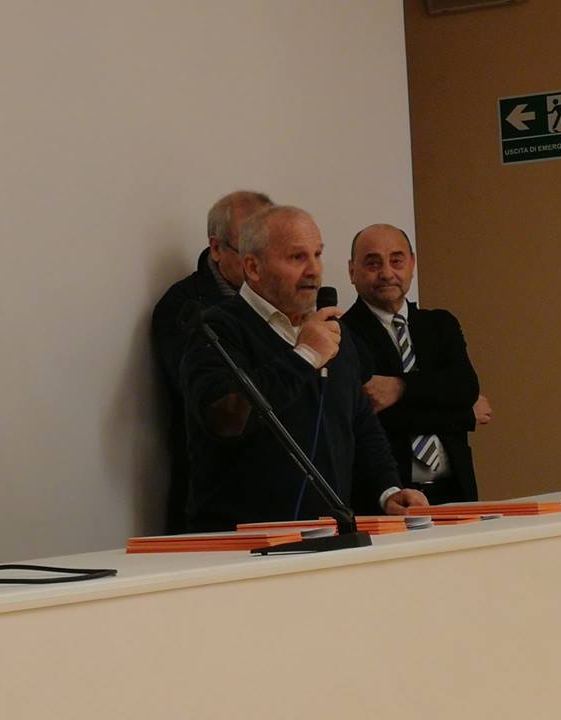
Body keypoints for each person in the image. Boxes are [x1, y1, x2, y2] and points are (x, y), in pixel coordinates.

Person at [180, 206, 427, 531]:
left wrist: (388, 490)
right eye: (297, 257)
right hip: (241, 543)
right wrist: (305, 356)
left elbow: (361, 423)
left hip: (327, 535)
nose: (314, 270)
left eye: (317, 255)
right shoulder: (217, 329)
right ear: (253, 267)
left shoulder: (335, 334)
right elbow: (227, 417)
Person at [343, 224, 490, 506]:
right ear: (352, 271)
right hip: (388, 497)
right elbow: (374, 420)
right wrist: (464, 416)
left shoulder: (440, 324)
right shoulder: (343, 334)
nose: (387, 273)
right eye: (373, 263)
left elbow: (464, 387)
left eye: (396, 261)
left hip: (454, 489)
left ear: (412, 264)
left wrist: (399, 387)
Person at [151, 190, 272, 532]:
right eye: (247, 250)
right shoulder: (186, 308)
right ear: (217, 248)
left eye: (267, 249)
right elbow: (211, 399)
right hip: (220, 498)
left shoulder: (286, 301)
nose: (258, 263)